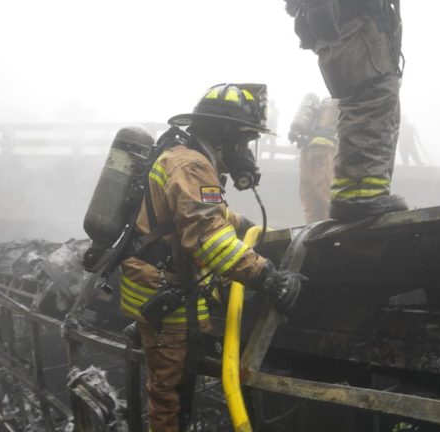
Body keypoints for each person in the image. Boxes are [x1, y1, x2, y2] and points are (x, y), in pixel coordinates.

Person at [120, 83, 307, 432]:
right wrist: (269, 278)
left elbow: (197, 215)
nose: (246, 151)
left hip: (158, 290)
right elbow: (207, 239)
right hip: (165, 301)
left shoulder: (183, 156)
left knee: (176, 390)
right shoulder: (192, 166)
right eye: (245, 140)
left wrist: (241, 225)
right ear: (225, 135)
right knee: (171, 399)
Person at [285, 0, 407, 221]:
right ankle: (360, 199)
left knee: (371, 102)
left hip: (340, 28)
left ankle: (359, 195)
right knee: (372, 100)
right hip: (356, 27)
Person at [289, 94, 340, 223]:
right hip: (324, 150)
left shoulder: (318, 107)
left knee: (310, 200)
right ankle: (330, 230)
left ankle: (311, 231)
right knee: (328, 196)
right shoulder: (337, 103)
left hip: (306, 152)